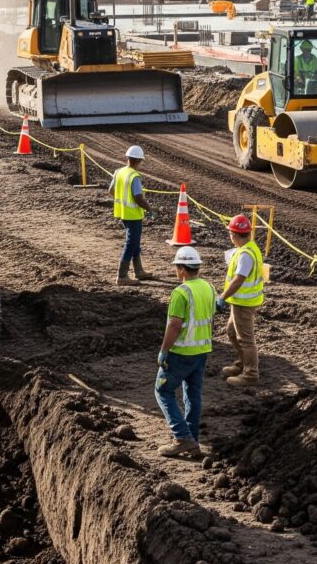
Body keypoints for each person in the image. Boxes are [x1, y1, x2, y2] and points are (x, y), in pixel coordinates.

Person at [155, 246, 216, 458]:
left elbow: (174, 325)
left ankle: (181, 437)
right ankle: (193, 440)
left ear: (182, 269)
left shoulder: (181, 292)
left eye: (176, 267)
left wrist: (164, 350)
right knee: (193, 394)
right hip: (202, 350)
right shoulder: (209, 288)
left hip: (181, 352)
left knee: (162, 391)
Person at [216, 214, 264, 387]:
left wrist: (222, 297)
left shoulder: (245, 255)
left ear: (234, 235)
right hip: (240, 302)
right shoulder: (248, 248)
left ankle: (250, 374)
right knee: (231, 331)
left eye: (230, 234)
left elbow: (238, 279)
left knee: (246, 338)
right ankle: (242, 364)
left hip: (244, 303)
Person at [108, 144, 152, 285]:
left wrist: (121, 199)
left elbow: (111, 190)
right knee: (131, 242)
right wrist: (150, 208)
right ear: (139, 161)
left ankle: (139, 271)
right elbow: (138, 197)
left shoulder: (119, 172)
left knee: (134, 242)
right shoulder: (134, 176)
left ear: (128, 158)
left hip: (122, 213)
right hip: (133, 215)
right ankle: (122, 276)